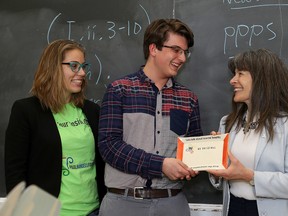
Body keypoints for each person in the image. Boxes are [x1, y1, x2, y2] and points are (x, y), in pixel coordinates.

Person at [97, 18, 203, 216]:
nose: (182, 58)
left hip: (172, 204)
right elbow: (109, 146)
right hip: (123, 203)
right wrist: (161, 165)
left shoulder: (188, 99)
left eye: (185, 52)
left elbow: (193, 150)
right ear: (153, 49)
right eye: (176, 50)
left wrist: (205, 156)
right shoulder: (120, 90)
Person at [5, 39, 106, 216]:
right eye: (74, 66)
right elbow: (15, 171)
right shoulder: (26, 111)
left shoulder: (92, 111)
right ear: (53, 68)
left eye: (83, 66)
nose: (81, 73)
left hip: (93, 210)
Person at [208, 48, 288, 216]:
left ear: (262, 79)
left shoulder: (285, 125)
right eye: (234, 74)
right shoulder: (228, 123)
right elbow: (222, 180)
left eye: (240, 73)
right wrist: (214, 164)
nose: (232, 80)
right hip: (234, 208)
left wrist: (249, 176)